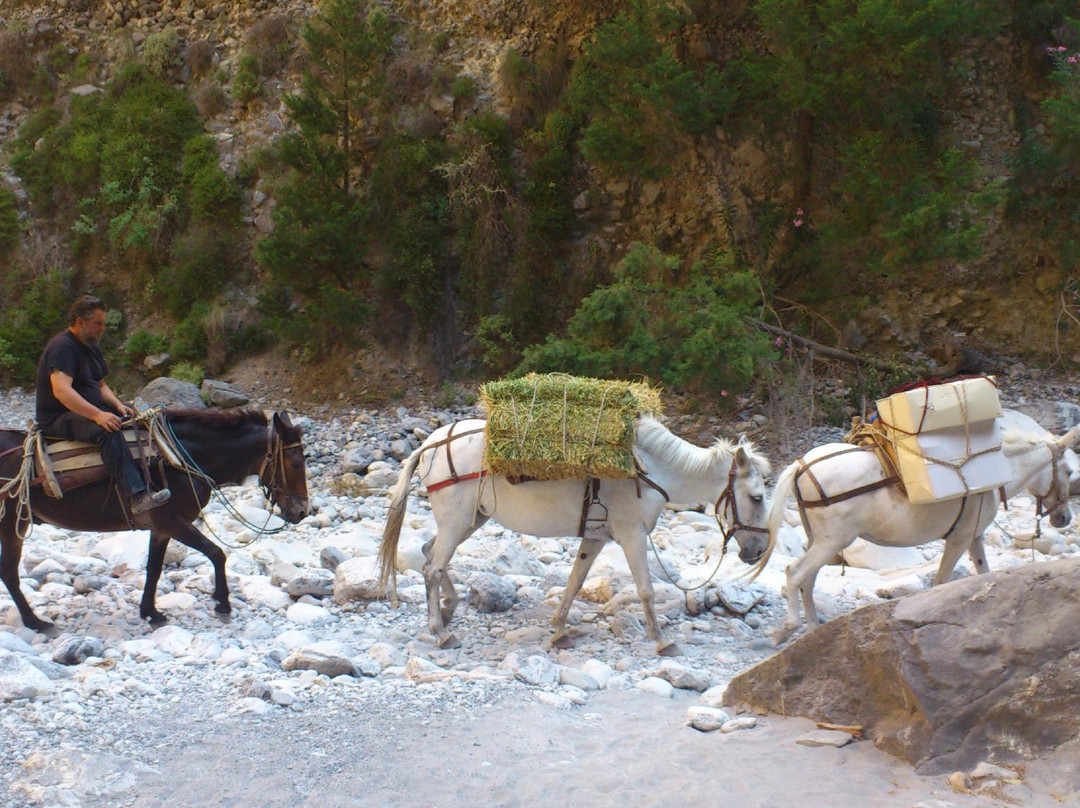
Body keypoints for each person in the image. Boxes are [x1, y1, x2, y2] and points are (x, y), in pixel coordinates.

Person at [35, 295, 170, 514]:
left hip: (87, 409)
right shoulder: (63, 347)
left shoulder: (91, 347)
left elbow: (100, 385)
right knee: (107, 429)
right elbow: (61, 390)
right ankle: (136, 496)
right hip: (59, 416)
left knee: (137, 415)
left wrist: (118, 405)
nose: (103, 328)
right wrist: (98, 415)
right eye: (98, 323)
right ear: (80, 322)